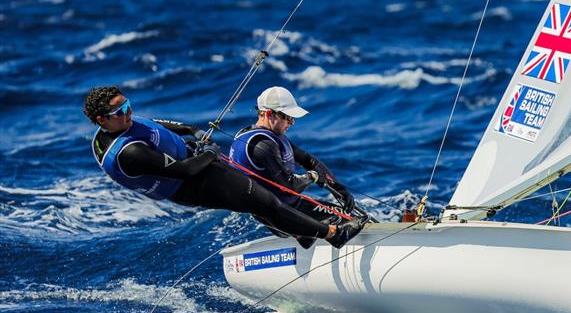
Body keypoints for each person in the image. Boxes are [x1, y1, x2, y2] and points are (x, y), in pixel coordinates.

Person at [83, 86, 366, 249]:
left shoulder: (125, 122)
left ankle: (303, 234)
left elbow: (156, 125)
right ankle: (333, 235)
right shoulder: (129, 153)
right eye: (120, 112)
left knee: (261, 202)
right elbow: (185, 171)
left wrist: (191, 131)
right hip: (191, 184)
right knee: (265, 202)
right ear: (101, 120)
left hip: (200, 166)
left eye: (128, 105)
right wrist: (208, 151)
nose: (129, 113)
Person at [229, 86, 358, 227]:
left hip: (286, 210)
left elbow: (308, 160)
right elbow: (288, 187)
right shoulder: (262, 144)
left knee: (343, 217)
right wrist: (312, 176)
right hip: (284, 213)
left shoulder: (270, 136)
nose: (292, 122)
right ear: (270, 114)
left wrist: (339, 189)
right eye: (288, 117)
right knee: (352, 220)